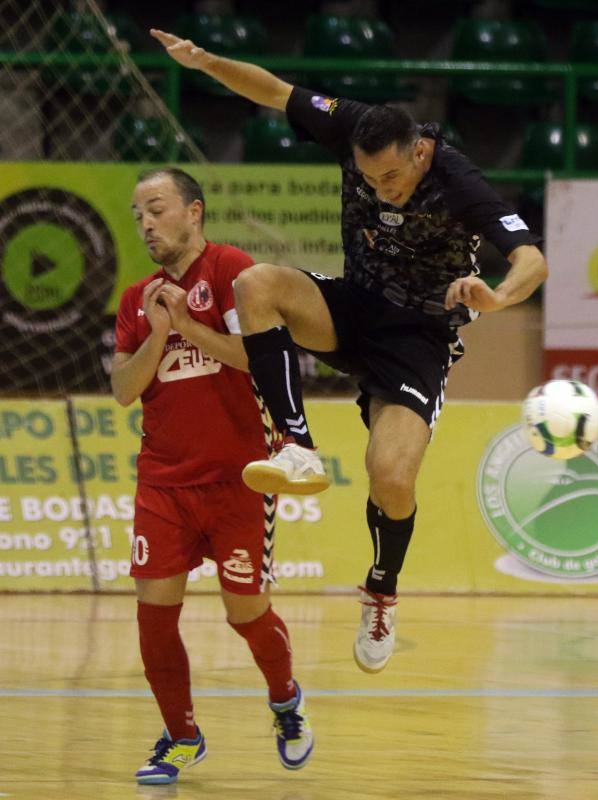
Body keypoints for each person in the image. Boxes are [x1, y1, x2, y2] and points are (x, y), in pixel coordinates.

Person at [151, 30, 548, 674]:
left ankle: (381, 590)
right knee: (256, 284)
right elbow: (273, 91)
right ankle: (297, 443)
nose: (383, 188)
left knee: (391, 477)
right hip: (354, 307)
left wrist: (498, 299)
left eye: (392, 176)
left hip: (418, 338)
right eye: (370, 178)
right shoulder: (355, 124)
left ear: (420, 151)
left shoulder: (458, 179)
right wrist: (205, 62)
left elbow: (532, 259)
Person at [111, 167, 313, 785]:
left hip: (240, 478)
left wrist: (190, 326)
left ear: (193, 212)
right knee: (154, 613)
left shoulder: (231, 269)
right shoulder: (136, 299)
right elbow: (123, 389)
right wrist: (161, 333)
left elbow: (258, 359)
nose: (147, 223)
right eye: (139, 213)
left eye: (158, 209)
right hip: (164, 482)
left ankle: (285, 700)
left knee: (245, 612)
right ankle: (180, 736)